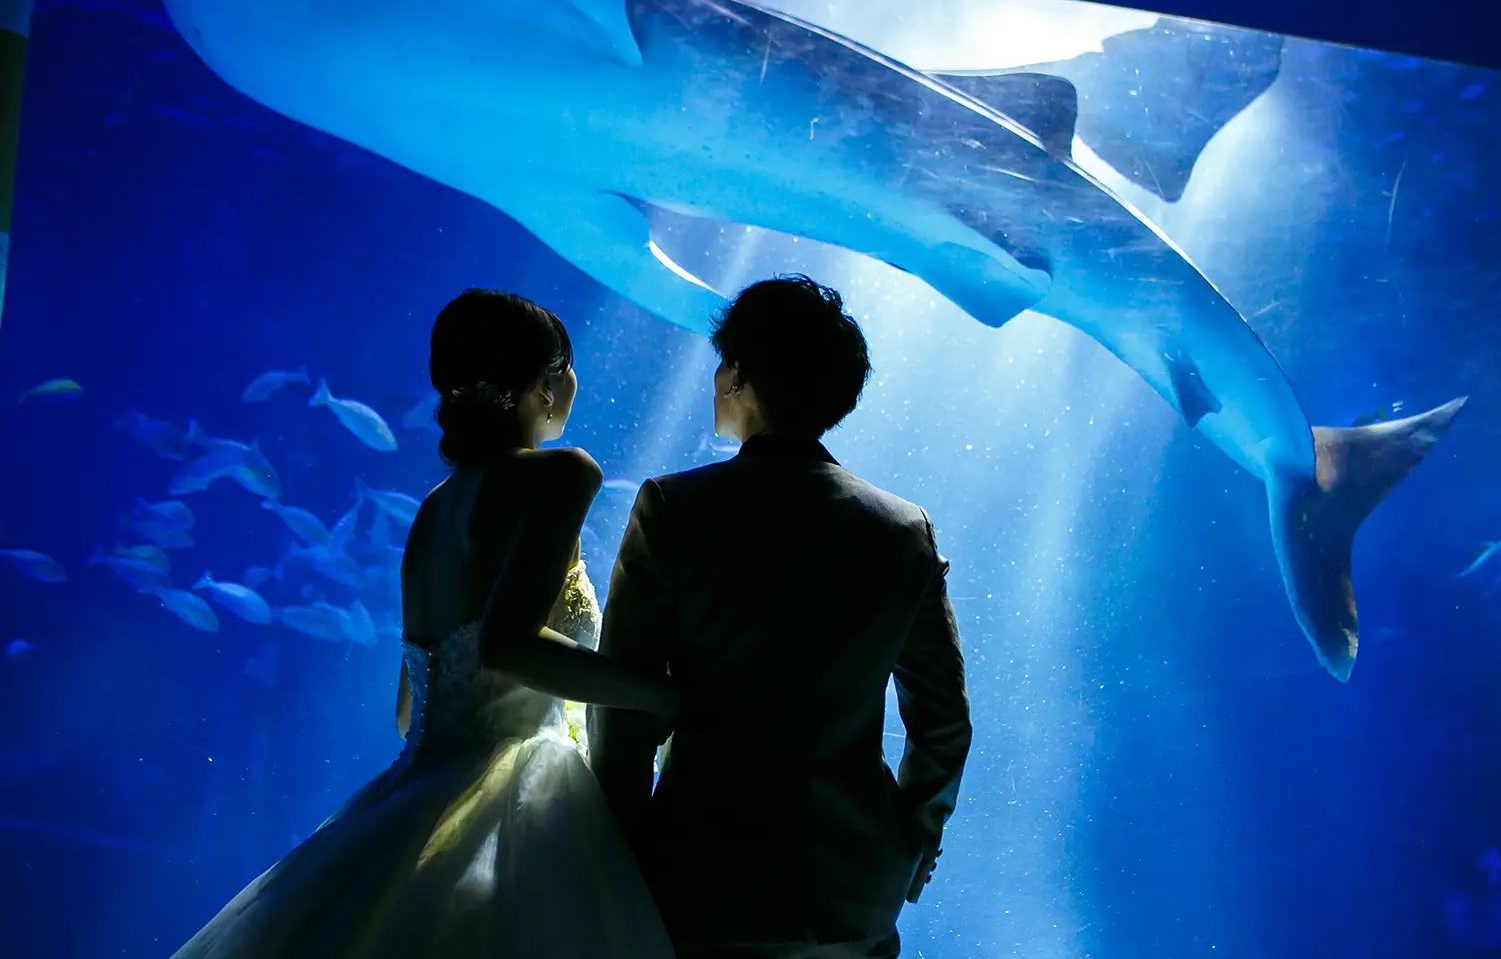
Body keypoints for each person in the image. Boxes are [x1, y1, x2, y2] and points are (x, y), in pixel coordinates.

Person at [173, 289, 679, 958]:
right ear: (547, 380)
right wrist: (663, 694)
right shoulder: (562, 474)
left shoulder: (435, 509)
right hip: (516, 798)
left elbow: (412, 711)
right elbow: (508, 646)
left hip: (408, 795)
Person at [591, 274, 973, 959]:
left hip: (702, 875)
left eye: (722, 364)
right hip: (854, 888)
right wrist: (911, 839)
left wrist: (623, 847)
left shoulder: (674, 509)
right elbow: (942, 720)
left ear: (739, 374)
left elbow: (622, 705)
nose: (714, 379)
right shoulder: (902, 529)